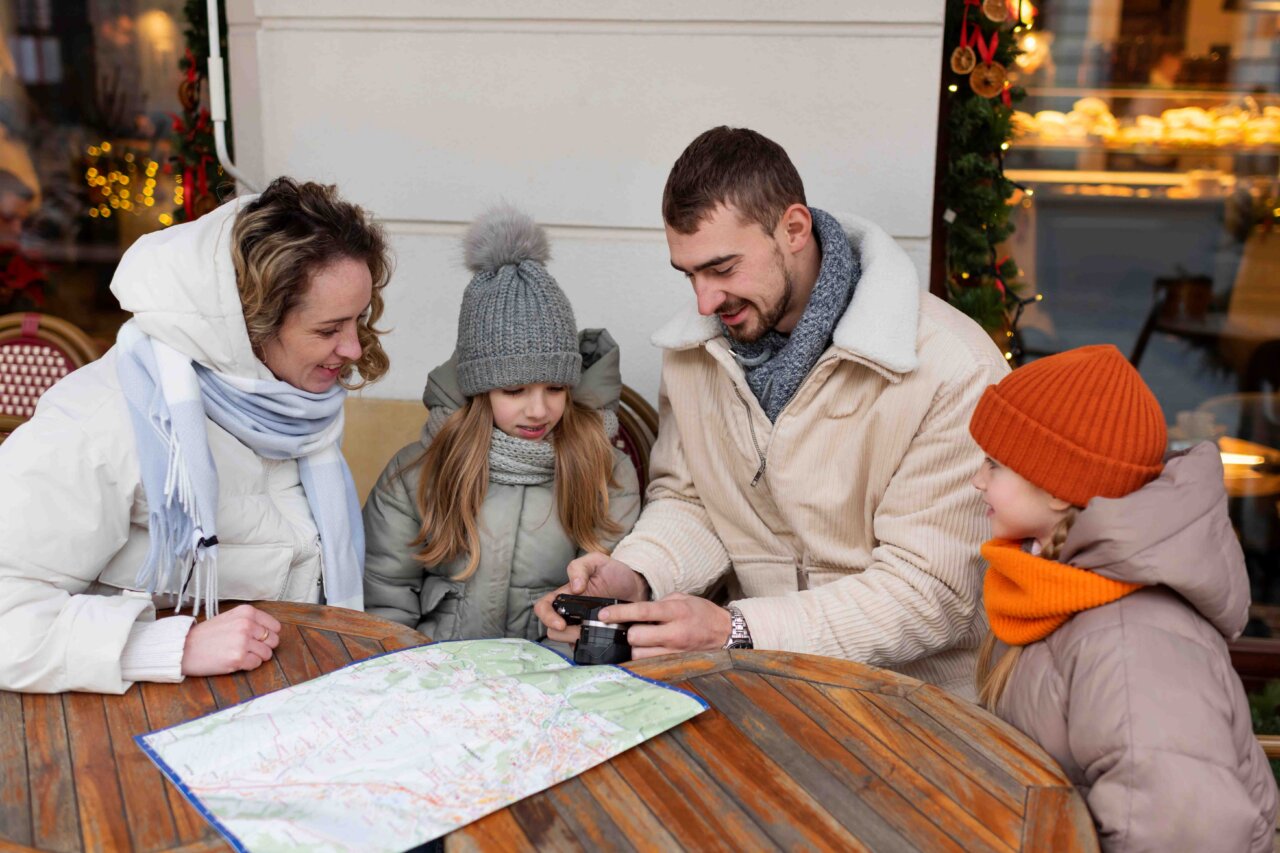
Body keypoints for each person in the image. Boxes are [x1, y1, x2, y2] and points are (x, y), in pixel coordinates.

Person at [535, 126, 1008, 696]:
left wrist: (736, 629)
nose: (705, 301)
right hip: (760, 686)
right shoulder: (694, 353)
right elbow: (694, 501)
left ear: (794, 229)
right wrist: (637, 574)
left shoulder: (955, 366)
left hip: (912, 706)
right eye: (690, 275)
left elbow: (931, 593)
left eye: (723, 268)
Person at [0, 177, 391, 693]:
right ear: (247, 324)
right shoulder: (102, 420)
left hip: (282, 702)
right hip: (136, 734)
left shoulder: (286, 403)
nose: (354, 349)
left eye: (358, 320)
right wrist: (166, 646)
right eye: (327, 330)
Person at [970, 345, 1278, 851]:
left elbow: (1185, 832)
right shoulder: (1052, 586)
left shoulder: (1128, 640)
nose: (977, 480)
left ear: (1056, 486)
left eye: (995, 463)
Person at [363, 207, 640, 641]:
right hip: (435, 685)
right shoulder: (416, 475)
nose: (538, 410)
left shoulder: (605, 470)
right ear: (479, 391)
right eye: (514, 391)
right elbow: (385, 600)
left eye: (555, 388)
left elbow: (604, 606)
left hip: (555, 686)